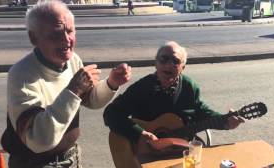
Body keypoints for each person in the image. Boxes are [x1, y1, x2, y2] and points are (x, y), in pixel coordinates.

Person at [0, 1, 131, 168]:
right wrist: (73, 90)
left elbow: (90, 99)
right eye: (55, 35)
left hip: (72, 160)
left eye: (70, 31)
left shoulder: (72, 60)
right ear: (34, 38)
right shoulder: (22, 74)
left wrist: (111, 83)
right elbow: (38, 139)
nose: (66, 40)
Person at [103, 41, 245, 149]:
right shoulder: (142, 87)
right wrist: (139, 134)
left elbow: (201, 112)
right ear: (156, 63)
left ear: (183, 67)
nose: (169, 64)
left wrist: (225, 122)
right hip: (145, 151)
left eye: (175, 61)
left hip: (179, 149)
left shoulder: (190, 86)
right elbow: (111, 113)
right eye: (164, 59)